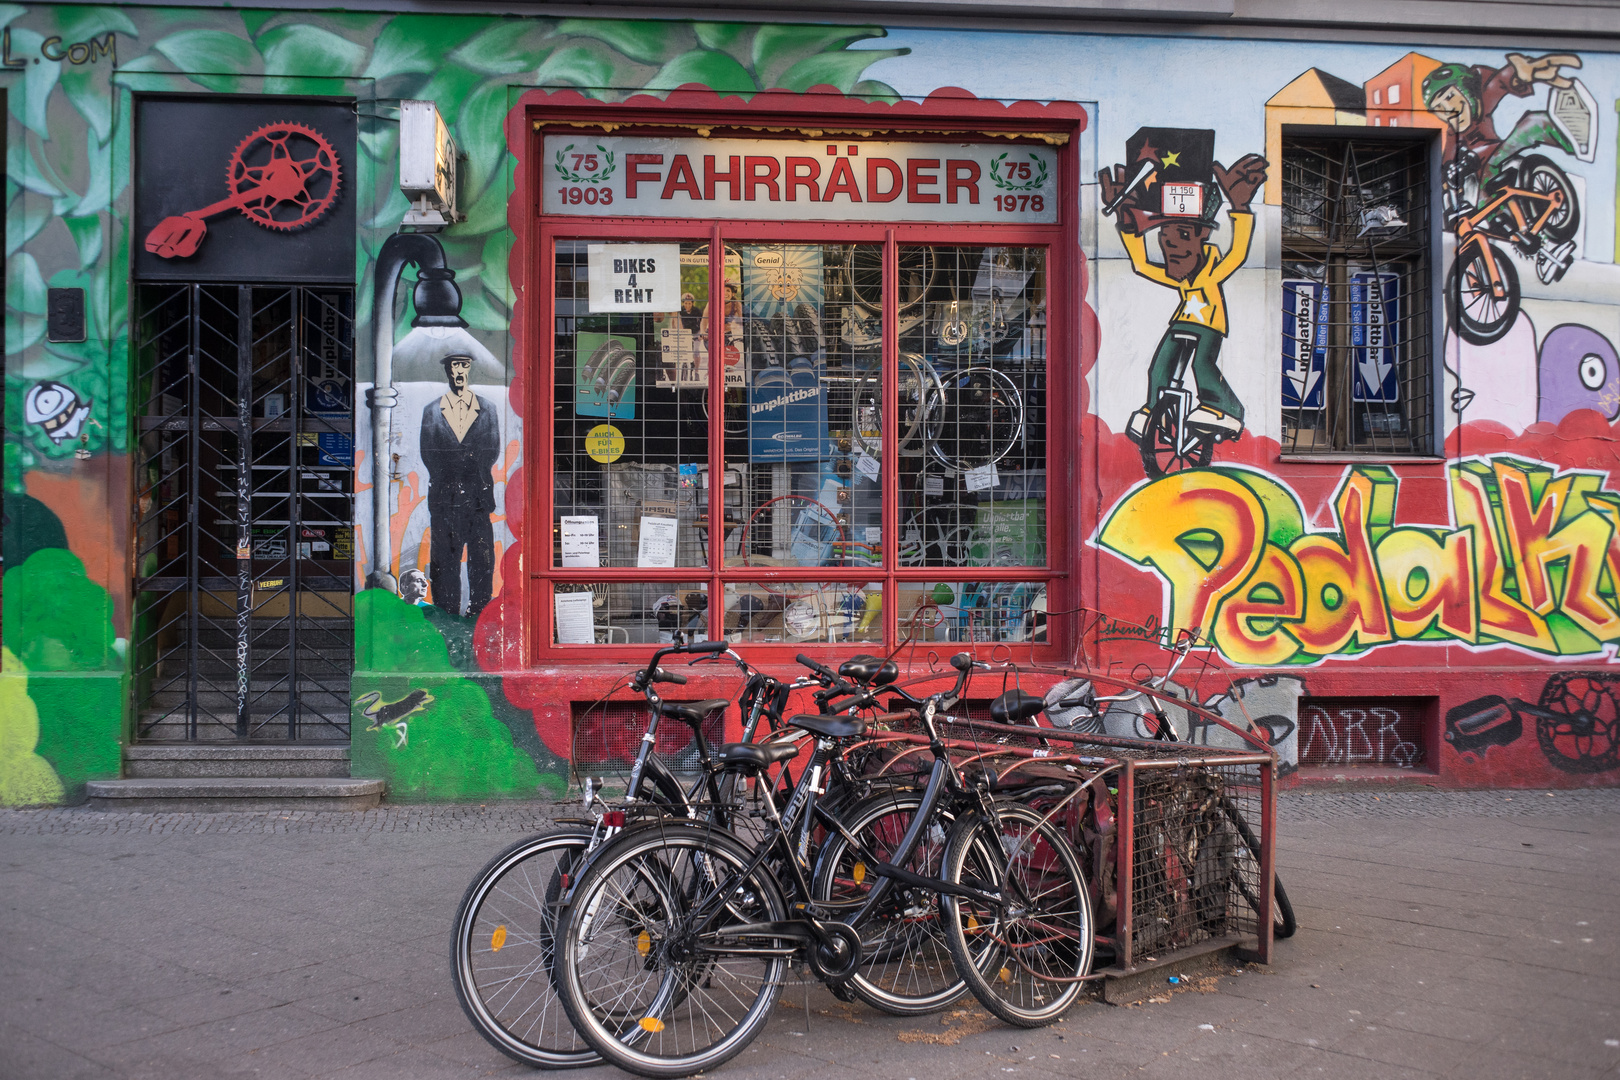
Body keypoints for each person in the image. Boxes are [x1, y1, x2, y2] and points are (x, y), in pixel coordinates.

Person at [1100, 144, 1268, 442]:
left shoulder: (1213, 271)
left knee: (1202, 363)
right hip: (1182, 322)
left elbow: (1238, 254)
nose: (1170, 246)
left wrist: (1240, 208)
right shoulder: (1179, 278)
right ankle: (1155, 412)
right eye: (1165, 238)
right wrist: (1126, 221)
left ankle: (1226, 409)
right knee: (1160, 367)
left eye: (1183, 236)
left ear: (1203, 236)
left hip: (1209, 324)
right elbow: (1140, 264)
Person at [1421, 53, 1582, 187]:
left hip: (1500, 158)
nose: (1447, 109)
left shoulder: (1484, 95)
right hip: (1486, 175)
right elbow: (1443, 166)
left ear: (1466, 89)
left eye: (1450, 96)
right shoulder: (1452, 133)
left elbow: (1501, 81)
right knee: (1480, 196)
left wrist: (1519, 74)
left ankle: (1575, 138)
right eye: (1438, 108)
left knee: (1534, 123)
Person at [419, 354, 501, 617]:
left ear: (469, 370)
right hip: (445, 498)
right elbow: (428, 452)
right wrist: (450, 478)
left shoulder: (487, 408)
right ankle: (446, 612)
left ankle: (479, 611)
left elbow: (492, 449)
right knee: (445, 560)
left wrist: (472, 475)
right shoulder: (432, 410)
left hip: (478, 496)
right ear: (447, 371)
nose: (459, 372)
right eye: (454, 367)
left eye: (463, 366)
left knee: (482, 558)